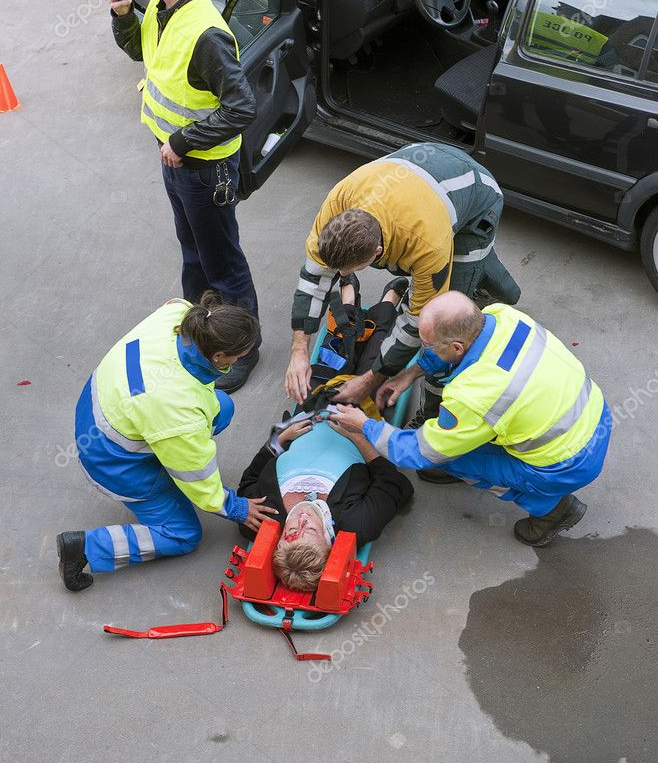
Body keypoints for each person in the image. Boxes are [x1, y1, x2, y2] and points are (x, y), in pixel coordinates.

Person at [105, 0, 260, 392]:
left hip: (203, 169)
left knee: (224, 263)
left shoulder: (206, 34)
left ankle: (242, 350)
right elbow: (141, 53)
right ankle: (200, 329)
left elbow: (242, 108)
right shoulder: (159, 3)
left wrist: (181, 141)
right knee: (194, 254)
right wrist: (124, 15)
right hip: (177, 164)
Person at [328, 292, 612, 547]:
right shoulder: (503, 316)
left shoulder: (473, 396)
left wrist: (365, 426)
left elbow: (422, 451)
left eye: (428, 346)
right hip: (595, 417)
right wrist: (411, 373)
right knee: (477, 431)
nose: (425, 349)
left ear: (456, 347)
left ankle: (552, 510)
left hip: (568, 465)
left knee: (448, 458)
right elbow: (462, 350)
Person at [56, 293, 277, 592]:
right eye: (238, 356)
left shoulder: (180, 314)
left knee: (220, 406)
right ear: (218, 357)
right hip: (112, 462)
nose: (240, 360)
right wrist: (234, 506)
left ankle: (167, 448)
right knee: (182, 534)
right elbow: (198, 480)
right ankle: (84, 548)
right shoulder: (178, 410)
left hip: (100, 408)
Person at [286, 142, 520, 409]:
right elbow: (313, 280)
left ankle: (431, 409)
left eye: (350, 269)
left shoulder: (426, 242)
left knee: (445, 320)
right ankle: (495, 281)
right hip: (424, 166)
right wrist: (298, 350)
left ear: (376, 252)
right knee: (469, 272)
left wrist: (372, 378)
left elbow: (417, 320)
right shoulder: (336, 206)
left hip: (477, 194)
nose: (340, 276)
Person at [237, 277, 414, 591]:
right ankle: (389, 299)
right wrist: (361, 436)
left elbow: (249, 481)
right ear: (330, 544)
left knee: (335, 352)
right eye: (312, 532)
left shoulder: (261, 518)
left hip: (313, 405)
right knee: (377, 355)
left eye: (292, 531)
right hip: (362, 413)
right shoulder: (355, 523)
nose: (302, 520)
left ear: (279, 540)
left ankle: (348, 299)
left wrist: (277, 442)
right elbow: (397, 487)